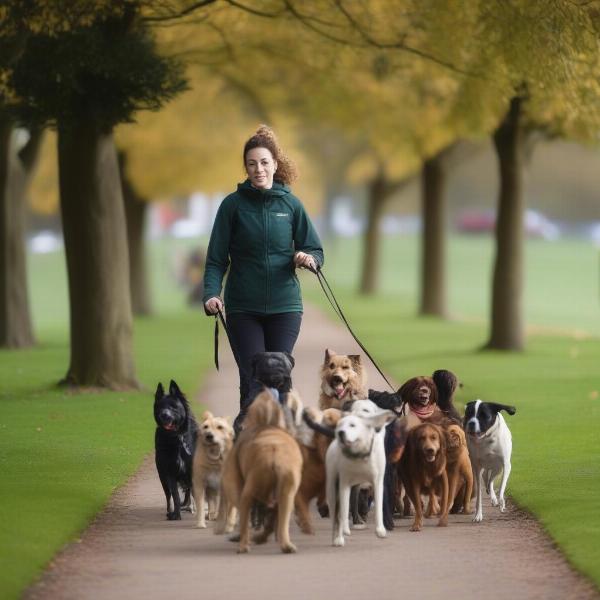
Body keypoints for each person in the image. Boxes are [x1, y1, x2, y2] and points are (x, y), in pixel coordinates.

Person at [202, 125, 324, 433]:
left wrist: (308, 258)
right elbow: (216, 258)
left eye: (264, 162)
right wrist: (210, 294)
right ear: (246, 167)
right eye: (252, 163)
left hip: (285, 306)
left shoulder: (291, 205)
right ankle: (249, 449)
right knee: (254, 379)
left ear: (275, 164)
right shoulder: (233, 206)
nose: (259, 169)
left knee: (280, 377)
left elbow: (314, 247)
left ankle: (280, 446)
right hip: (243, 307)